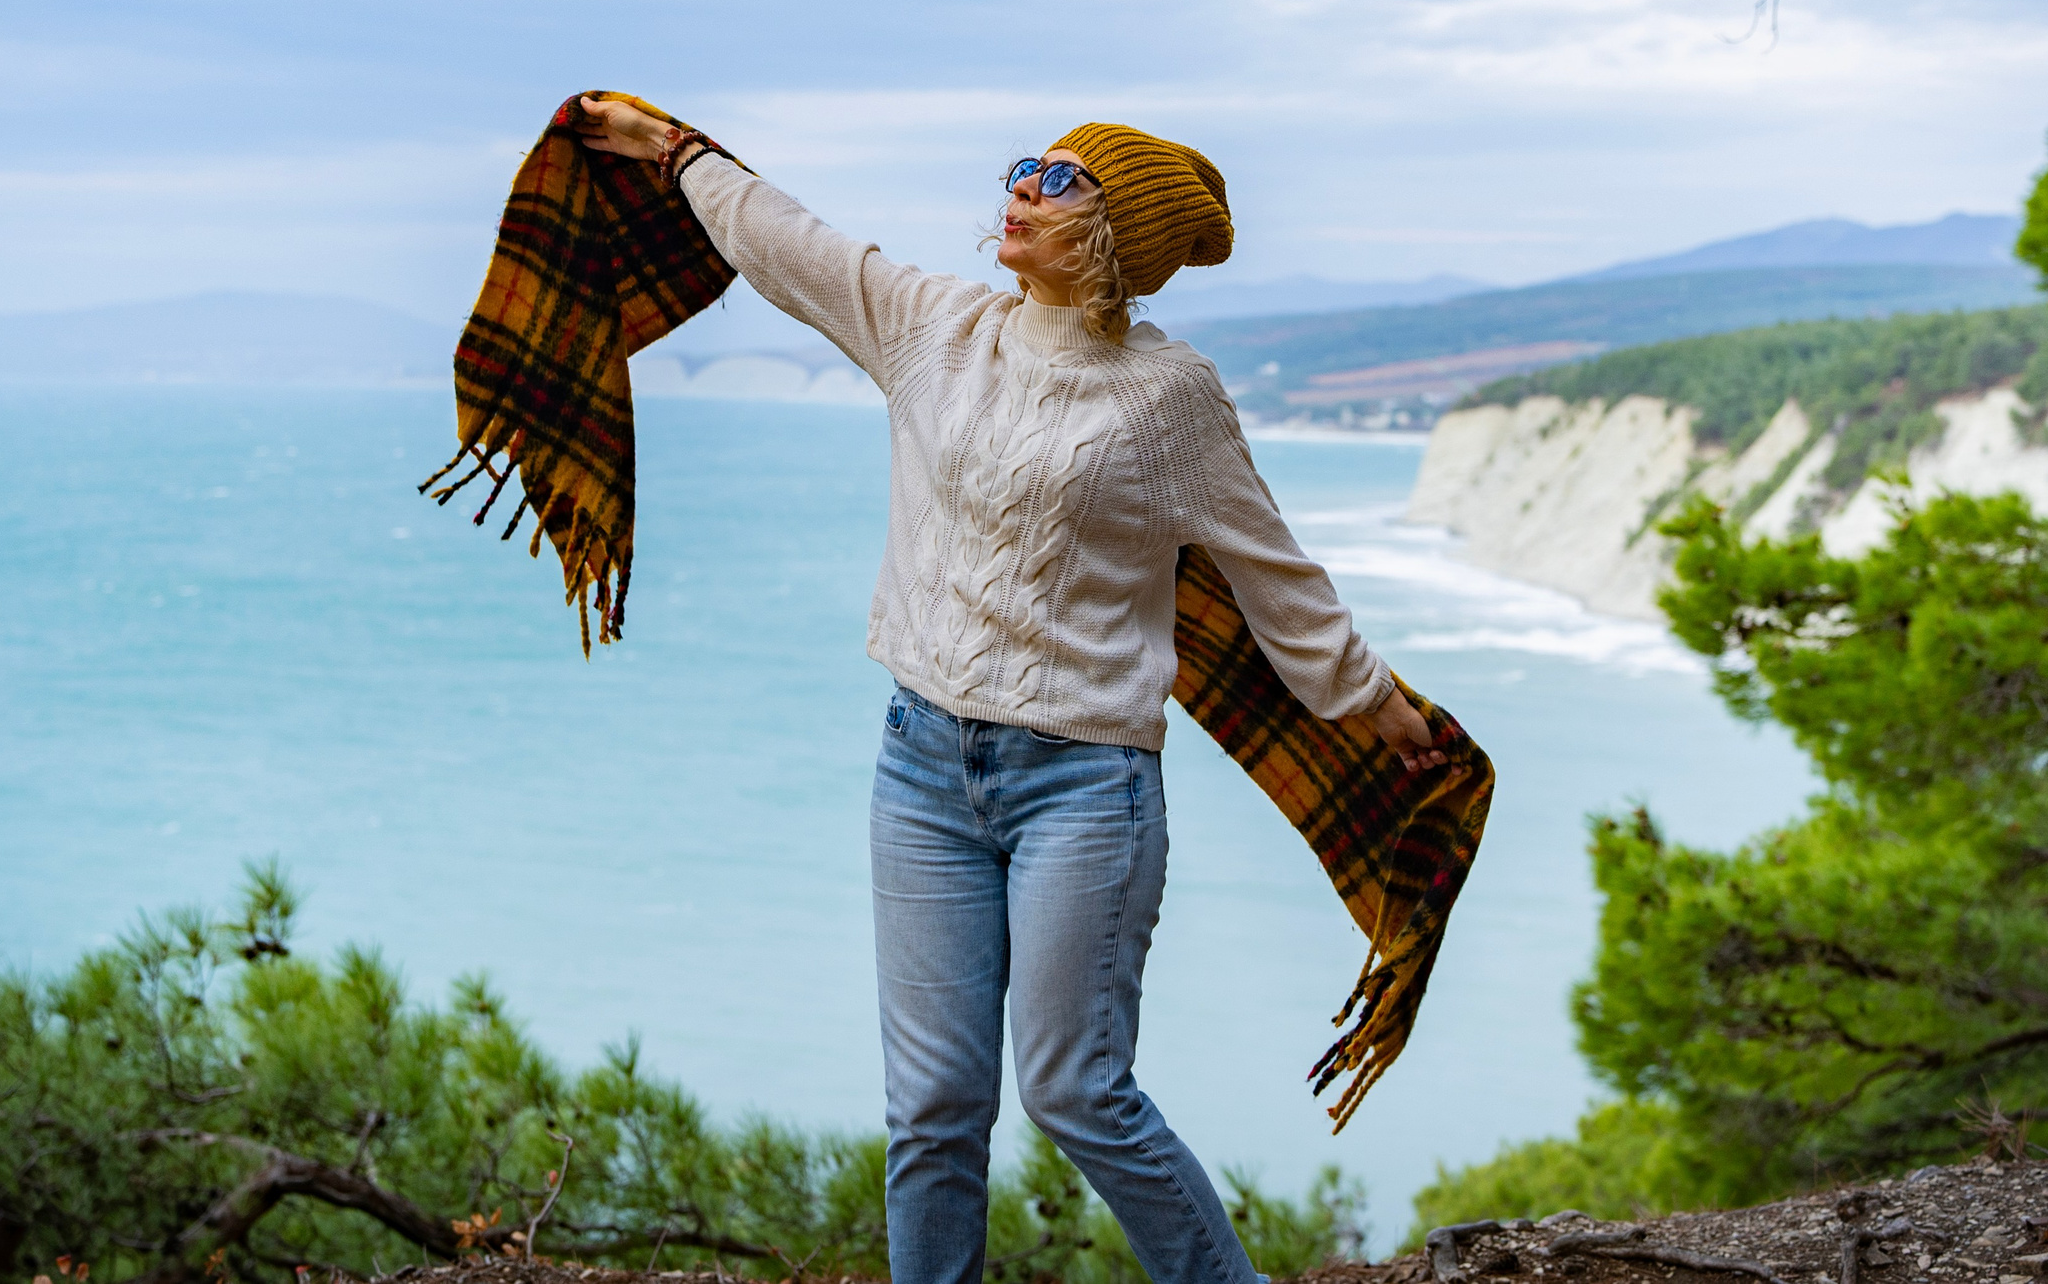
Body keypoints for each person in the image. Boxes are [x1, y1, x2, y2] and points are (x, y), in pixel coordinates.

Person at [573, 98, 1447, 1284]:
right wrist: (679, 154)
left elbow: (1271, 568)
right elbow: (792, 245)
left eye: (1057, 178)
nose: (1021, 188)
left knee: (1076, 1092)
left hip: (1083, 788)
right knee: (931, 1106)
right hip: (919, 768)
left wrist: (1371, 698)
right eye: (1022, 168)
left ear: (1114, 235)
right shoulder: (936, 328)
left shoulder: (1168, 397)